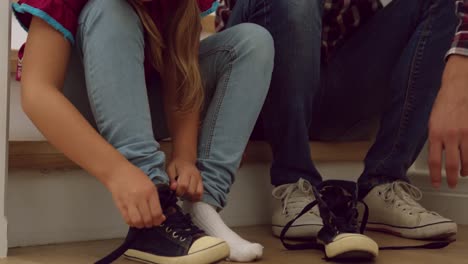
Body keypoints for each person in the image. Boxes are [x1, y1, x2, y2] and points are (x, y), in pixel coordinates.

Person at [12, 0, 273, 263]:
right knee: (109, 8)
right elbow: (37, 93)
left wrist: (184, 156)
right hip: (83, 101)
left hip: (144, 98)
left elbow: (181, 65)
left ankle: (203, 208)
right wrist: (120, 172)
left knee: (252, 42)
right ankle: (155, 213)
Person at [202, 0, 466, 257]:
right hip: (259, 82)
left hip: (330, 83)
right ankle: (295, 181)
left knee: (444, 2)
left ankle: (383, 183)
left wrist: (458, 82)